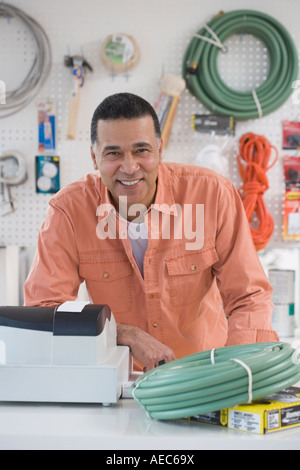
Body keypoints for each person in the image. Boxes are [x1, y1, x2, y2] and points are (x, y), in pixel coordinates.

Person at [24, 92, 279, 371]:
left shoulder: (212, 194)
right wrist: (123, 333)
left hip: (205, 376)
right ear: (94, 157)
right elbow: (44, 311)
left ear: (160, 149)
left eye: (141, 150)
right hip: (121, 382)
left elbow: (249, 295)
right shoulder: (68, 211)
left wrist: (237, 370)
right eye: (113, 153)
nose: (130, 167)